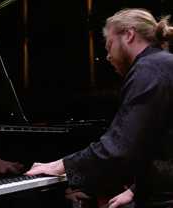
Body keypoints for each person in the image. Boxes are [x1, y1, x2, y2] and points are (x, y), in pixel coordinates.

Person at [26, 8, 173, 208]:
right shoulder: (161, 64)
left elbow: (118, 147)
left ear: (129, 35)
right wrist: (134, 190)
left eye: (109, 45)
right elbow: (161, 147)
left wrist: (59, 166)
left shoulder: (148, 68)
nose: (108, 56)